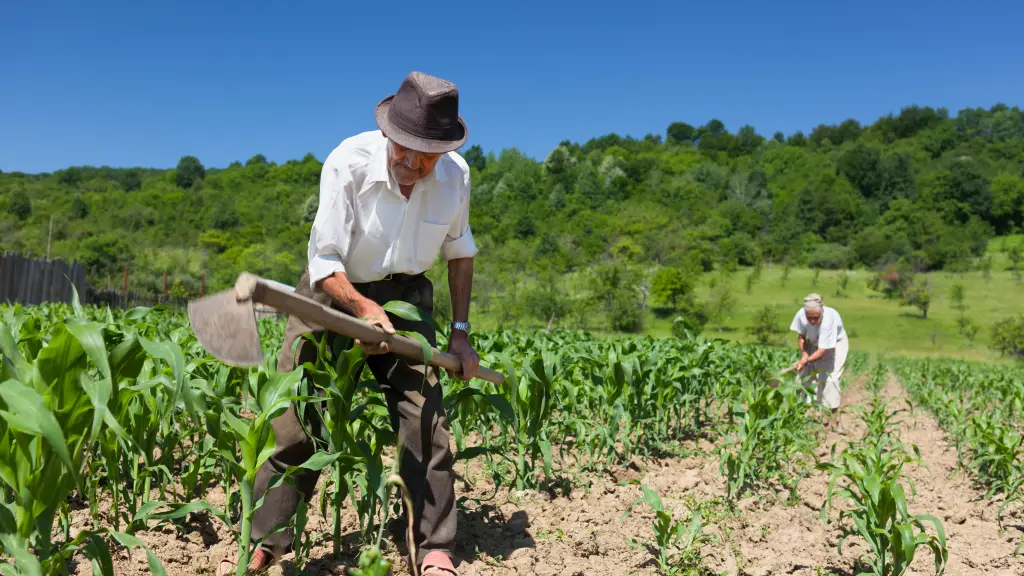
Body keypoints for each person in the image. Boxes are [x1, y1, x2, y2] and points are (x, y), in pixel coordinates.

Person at [218, 71, 479, 576]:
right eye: (401, 147)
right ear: (388, 132)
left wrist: (460, 333)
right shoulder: (347, 162)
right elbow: (324, 261)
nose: (408, 160)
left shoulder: (456, 177)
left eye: (422, 153)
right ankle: (267, 539)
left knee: (424, 419)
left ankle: (433, 548)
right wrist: (362, 309)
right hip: (333, 293)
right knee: (294, 421)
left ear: (443, 151)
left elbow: (459, 254)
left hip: (407, 298)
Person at [789, 293, 849, 428]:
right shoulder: (801, 315)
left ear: (822, 311)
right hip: (813, 343)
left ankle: (832, 420)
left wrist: (806, 360)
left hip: (833, 346)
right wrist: (804, 354)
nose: (811, 321)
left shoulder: (830, 319)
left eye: (815, 318)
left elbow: (823, 350)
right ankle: (800, 414)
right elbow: (801, 337)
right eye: (809, 318)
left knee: (830, 379)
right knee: (803, 377)